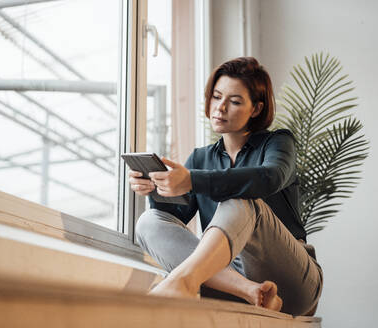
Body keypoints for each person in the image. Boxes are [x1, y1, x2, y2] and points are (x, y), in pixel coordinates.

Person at [128, 57, 323, 316]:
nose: (220, 108)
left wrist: (192, 180)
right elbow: (171, 219)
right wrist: (156, 187)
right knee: (149, 221)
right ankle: (250, 291)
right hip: (231, 283)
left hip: (294, 282)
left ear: (256, 109)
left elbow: (270, 177)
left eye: (234, 101)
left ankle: (181, 282)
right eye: (216, 97)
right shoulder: (201, 158)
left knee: (240, 198)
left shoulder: (277, 143)